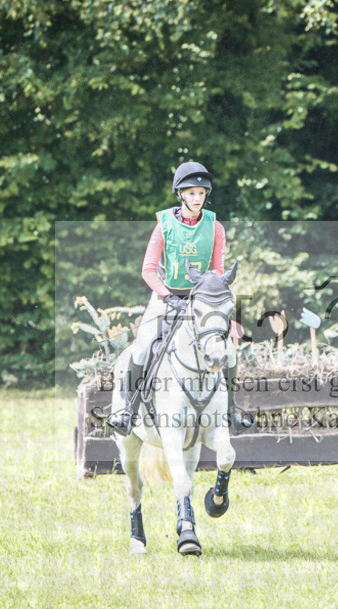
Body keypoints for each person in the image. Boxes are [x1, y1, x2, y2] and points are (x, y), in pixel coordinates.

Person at [106, 161, 251, 437]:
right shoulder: (164, 226)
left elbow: (218, 273)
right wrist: (167, 296)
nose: (197, 198)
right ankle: (127, 410)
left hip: (203, 298)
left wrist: (209, 300)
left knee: (229, 353)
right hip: (165, 296)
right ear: (180, 194)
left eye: (201, 193)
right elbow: (148, 270)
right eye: (191, 193)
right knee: (143, 346)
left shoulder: (216, 227)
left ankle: (231, 411)